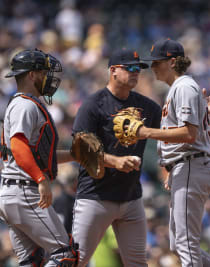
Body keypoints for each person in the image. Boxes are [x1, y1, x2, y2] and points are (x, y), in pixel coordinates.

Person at [71, 48, 162, 266]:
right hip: (96, 196)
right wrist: (115, 161)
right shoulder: (93, 105)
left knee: (138, 263)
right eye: (129, 68)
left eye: (138, 69)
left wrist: (205, 112)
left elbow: (170, 131)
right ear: (113, 70)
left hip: (131, 198)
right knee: (76, 261)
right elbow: (80, 149)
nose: (135, 73)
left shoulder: (146, 106)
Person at [138, 39, 210, 267]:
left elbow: (188, 134)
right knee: (177, 245)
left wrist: (146, 132)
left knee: (186, 244)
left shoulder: (184, 86)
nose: (153, 67)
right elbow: (194, 131)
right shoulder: (181, 88)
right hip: (186, 165)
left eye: (158, 62)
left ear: (173, 62)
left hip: (191, 164)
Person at [0, 49, 78, 266]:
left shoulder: (24, 103)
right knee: (65, 255)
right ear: (31, 75)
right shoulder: (24, 105)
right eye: (43, 72)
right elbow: (18, 146)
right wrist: (41, 180)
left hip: (14, 191)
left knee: (32, 261)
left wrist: (74, 155)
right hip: (25, 190)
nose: (47, 77)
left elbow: (39, 156)